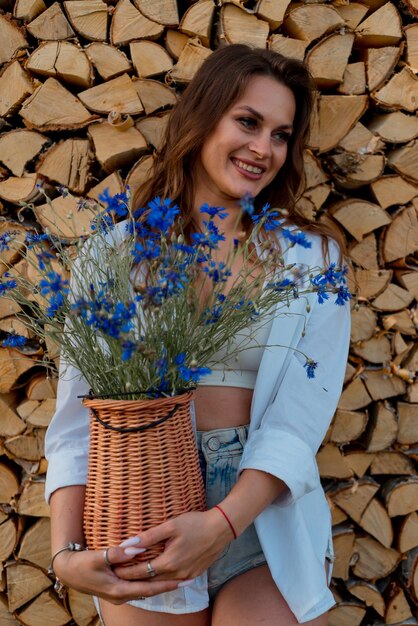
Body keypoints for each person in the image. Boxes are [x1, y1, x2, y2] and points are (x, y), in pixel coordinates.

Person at [45, 44, 350, 625]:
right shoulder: (115, 255)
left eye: (282, 135)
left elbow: (299, 421)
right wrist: (64, 554)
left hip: (260, 509)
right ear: (203, 117)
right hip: (140, 498)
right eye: (248, 122)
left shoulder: (313, 261)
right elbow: (75, 423)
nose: (264, 149)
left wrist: (224, 522)